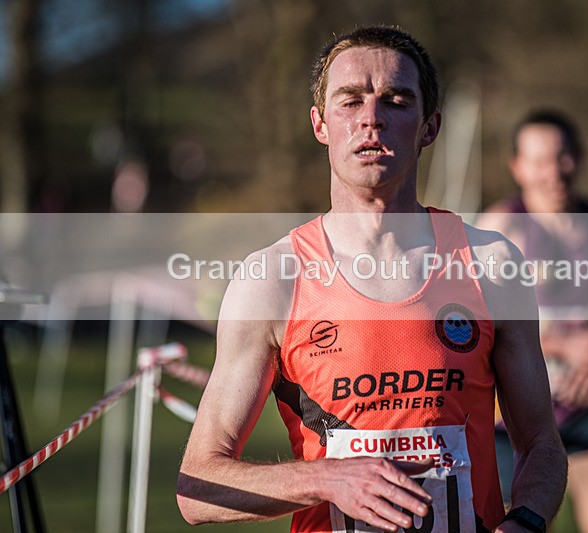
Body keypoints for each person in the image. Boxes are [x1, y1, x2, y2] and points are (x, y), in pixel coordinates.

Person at [177, 26, 567, 533]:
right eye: (350, 101)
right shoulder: (272, 280)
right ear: (320, 124)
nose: (371, 118)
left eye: (397, 100)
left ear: (429, 127)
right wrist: (328, 480)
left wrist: (527, 522)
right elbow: (199, 488)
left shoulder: (491, 263)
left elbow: (543, 446)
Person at [477, 110, 588, 533]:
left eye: (562, 157)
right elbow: (476, 332)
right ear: (518, 167)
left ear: (579, 158)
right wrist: (562, 346)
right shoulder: (499, 229)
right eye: (539, 160)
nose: (553, 171)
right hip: (511, 416)